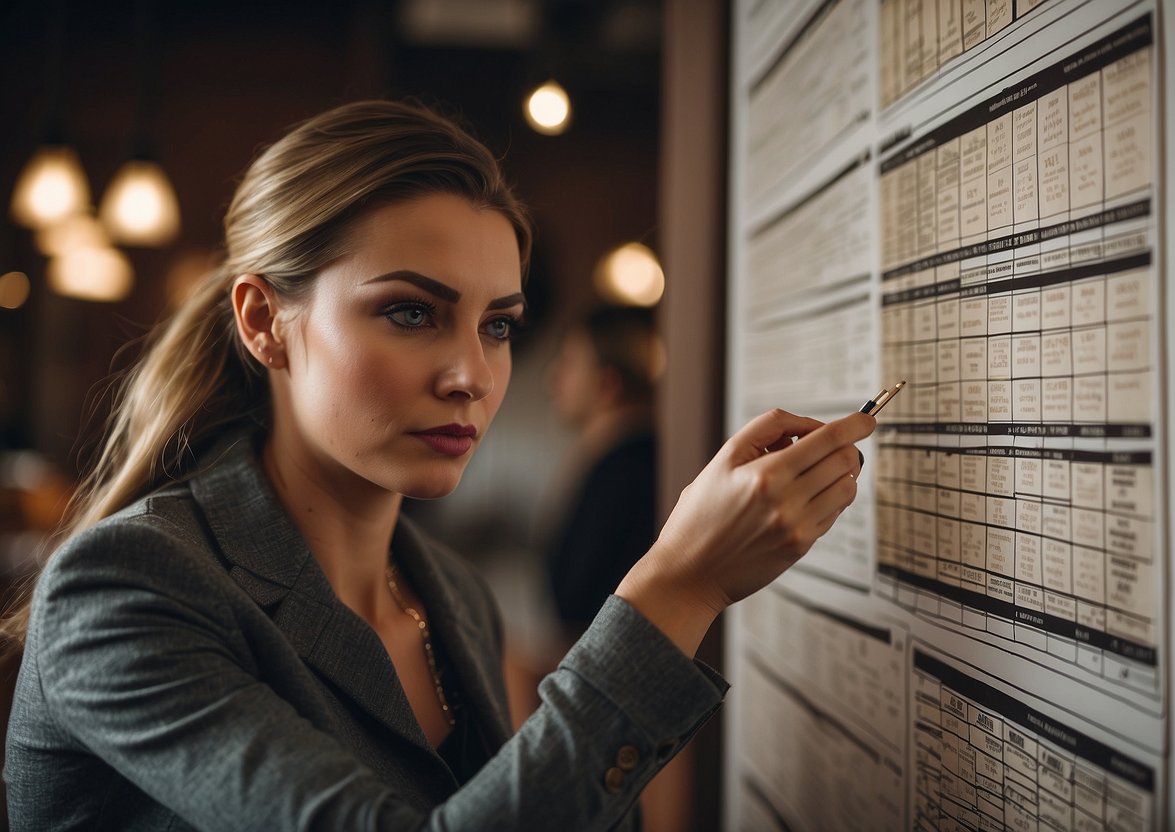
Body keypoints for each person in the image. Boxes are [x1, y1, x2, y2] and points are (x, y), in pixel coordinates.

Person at [0, 99, 874, 831]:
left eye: (497, 324)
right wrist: (677, 589)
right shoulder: (125, 587)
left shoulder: (450, 596)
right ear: (265, 321)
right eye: (412, 313)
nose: (471, 375)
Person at [543, 305, 660, 642]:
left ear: (608, 383)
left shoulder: (627, 473)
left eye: (569, 363)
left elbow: (582, 603)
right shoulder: (616, 462)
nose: (553, 378)